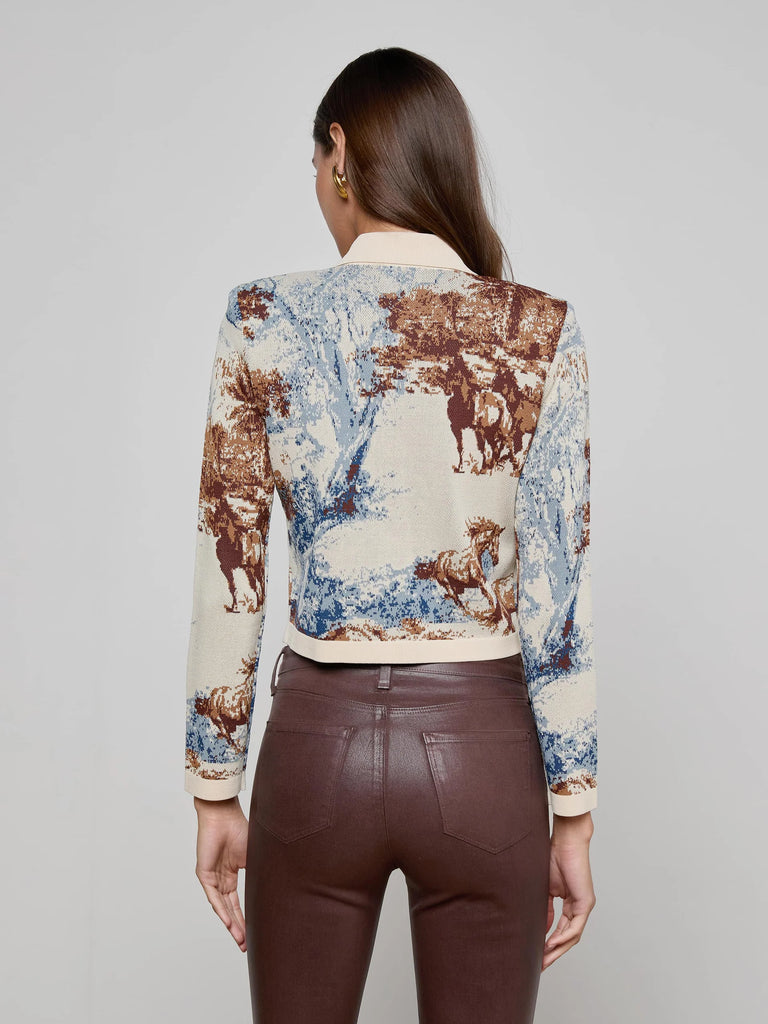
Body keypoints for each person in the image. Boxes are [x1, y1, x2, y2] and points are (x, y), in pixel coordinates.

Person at [185, 46, 597, 1024]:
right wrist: (573, 808)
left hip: (316, 751)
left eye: (315, 166)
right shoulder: (541, 329)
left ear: (339, 152)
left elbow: (229, 560)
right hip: (484, 751)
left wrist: (214, 784)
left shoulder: (261, 317)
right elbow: (557, 594)